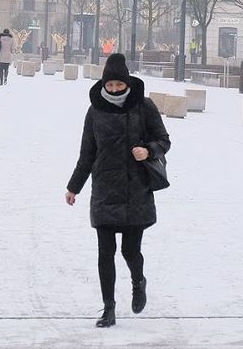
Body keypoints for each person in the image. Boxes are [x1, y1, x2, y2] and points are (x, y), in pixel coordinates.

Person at [65, 53, 171, 328]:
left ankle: (138, 281)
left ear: (126, 83)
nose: (114, 90)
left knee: (130, 251)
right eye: (109, 85)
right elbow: (87, 153)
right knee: (105, 252)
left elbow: (164, 140)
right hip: (105, 190)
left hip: (136, 189)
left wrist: (148, 150)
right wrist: (73, 186)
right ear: (103, 84)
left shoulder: (143, 106)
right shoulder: (95, 110)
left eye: (118, 85)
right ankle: (108, 308)